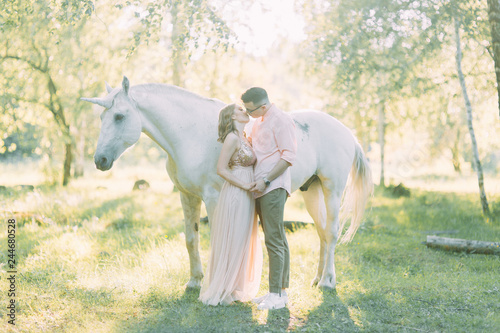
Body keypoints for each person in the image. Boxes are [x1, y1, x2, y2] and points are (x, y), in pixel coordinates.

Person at [199, 103, 263, 306]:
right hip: (236, 191)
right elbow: (221, 169)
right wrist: (245, 185)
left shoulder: (244, 137)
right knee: (233, 236)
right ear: (232, 117)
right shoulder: (232, 138)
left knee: (243, 237)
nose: (246, 111)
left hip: (247, 192)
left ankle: (235, 286)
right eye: (241, 110)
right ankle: (223, 287)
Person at [242, 87, 297, 310]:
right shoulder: (258, 121)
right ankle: (279, 292)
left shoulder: (281, 120)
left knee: (274, 239)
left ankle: (276, 294)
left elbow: (288, 156)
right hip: (260, 186)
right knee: (276, 237)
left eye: (250, 110)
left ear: (263, 106)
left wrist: (266, 180)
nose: (247, 114)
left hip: (273, 186)